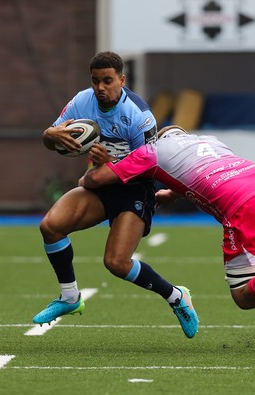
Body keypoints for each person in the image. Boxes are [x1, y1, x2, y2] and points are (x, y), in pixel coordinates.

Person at [33, 52, 198, 339]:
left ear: (121, 80)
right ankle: (70, 298)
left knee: (117, 264)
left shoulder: (139, 116)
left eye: (107, 81)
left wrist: (107, 167)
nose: (100, 88)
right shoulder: (81, 101)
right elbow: (52, 137)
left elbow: (149, 167)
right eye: (96, 81)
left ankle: (176, 296)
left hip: (135, 188)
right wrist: (51, 134)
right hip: (102, 183)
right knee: (51, 226)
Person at [82, 125, 255, 310]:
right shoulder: (211, 140)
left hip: (243, 207)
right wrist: (172, 194)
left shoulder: (153, 151)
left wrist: (91, 168)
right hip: (248, 187)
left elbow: (97, 180)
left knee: (242, 296)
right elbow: (214, 171)